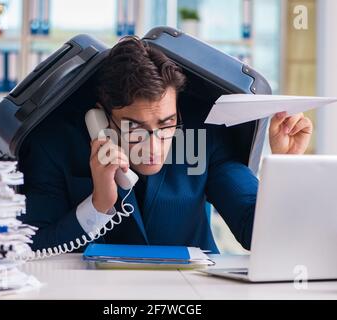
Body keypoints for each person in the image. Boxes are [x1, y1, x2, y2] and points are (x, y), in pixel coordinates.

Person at [19, 36, 313, 252]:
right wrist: (98, 205)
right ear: (102, 117)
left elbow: (257, 234)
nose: (153, 145)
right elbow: (31, 248)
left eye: (166, 124)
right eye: (134, 127)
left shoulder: (205, 134)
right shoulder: (54, 145)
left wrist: (285, 166)